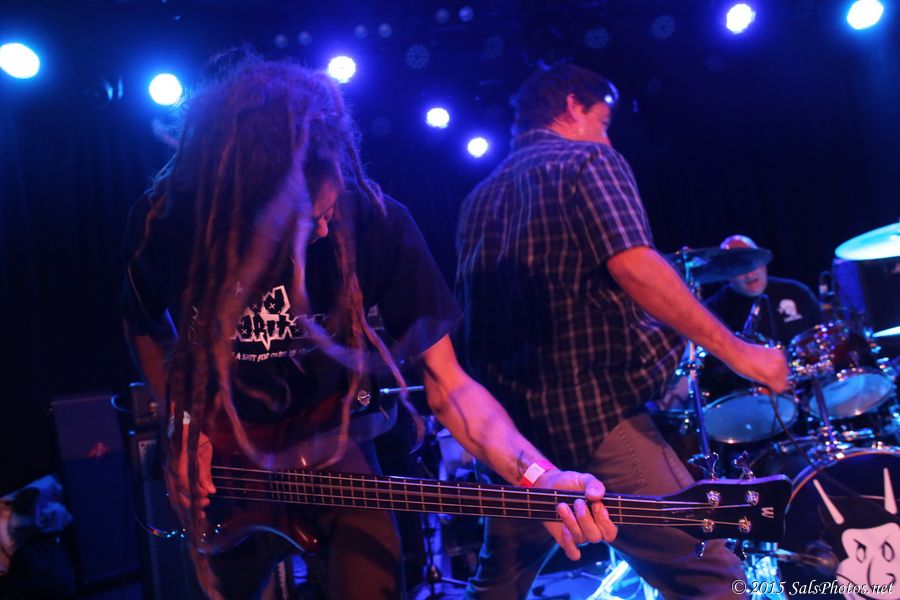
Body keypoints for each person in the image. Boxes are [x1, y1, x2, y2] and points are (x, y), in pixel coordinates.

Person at [122, 56, 616, 600]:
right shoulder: (167, 222)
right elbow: (146, 326)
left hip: (332, 448)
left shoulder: (377, 222)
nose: (325, 228)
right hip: (225, 471)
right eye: (306, 221)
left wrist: (538, 477)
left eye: (330, 209)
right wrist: (182, 422)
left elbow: (450, 385)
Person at [455, 63, 790, 599]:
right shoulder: (588, 159)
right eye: (603, 121)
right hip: (596, 422)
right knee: (712, 580)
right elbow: (634, 265)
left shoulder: (478, 199)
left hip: (515, 444)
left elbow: (472, 321)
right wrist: (742, 354)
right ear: (572, 106)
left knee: (494, 589)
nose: (607, 136)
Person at [705, 234, 821, 346]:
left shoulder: (797, 292)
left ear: (763, 263)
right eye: (739, 268)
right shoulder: (712, 312)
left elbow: (820, 336)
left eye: (752, 263)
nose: (749, 274)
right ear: (725, 274)